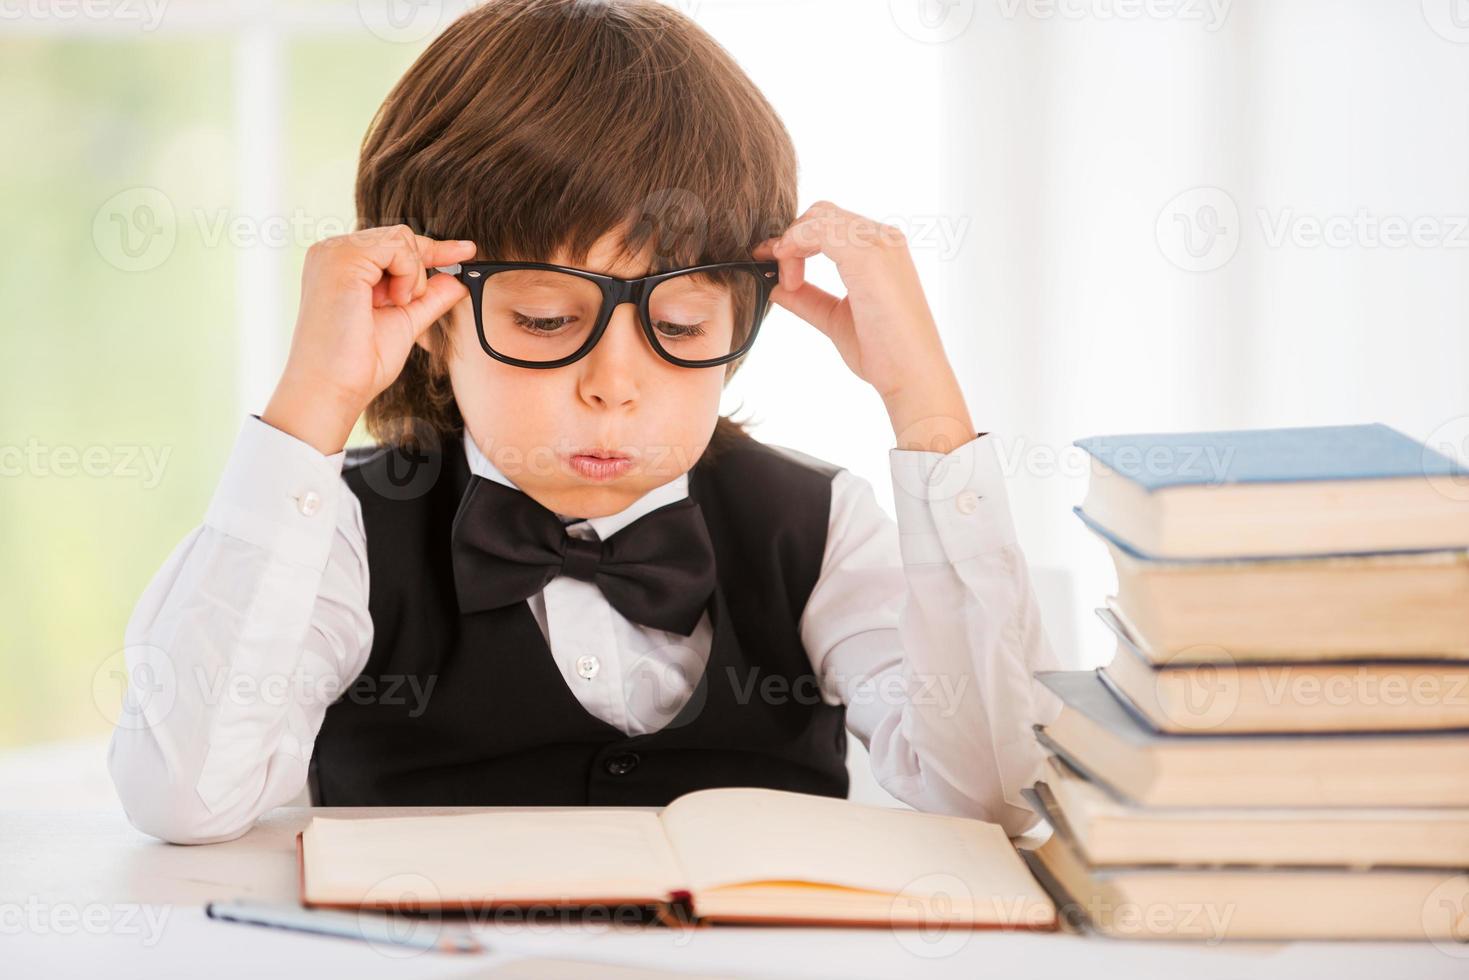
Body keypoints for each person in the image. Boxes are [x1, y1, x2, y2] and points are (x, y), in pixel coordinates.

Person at [107, 0, 1061, 845]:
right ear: (432, 316)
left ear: (740, 324)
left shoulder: (818, 527)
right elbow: (187, 796)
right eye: (545, 320)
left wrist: (926, 410)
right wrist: (307, 414)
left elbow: (999, 797)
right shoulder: (346, 533)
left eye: (679, 324)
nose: (614, 385)